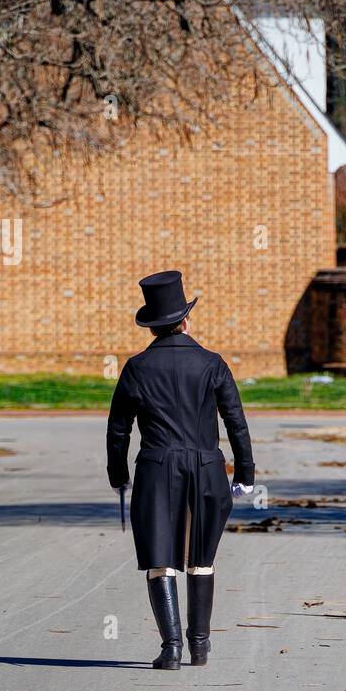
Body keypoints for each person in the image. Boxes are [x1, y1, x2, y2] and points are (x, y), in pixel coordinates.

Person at [106, 270, 254, 669]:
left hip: (157, 467)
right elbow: (235, 421)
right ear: (186, 320)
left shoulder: (136, 368)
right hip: (207, 466)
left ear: (152, 326)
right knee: (201, 559)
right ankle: (200, 646)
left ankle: (171, 647)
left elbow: (119, 427)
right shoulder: (212, 363)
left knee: (161, 559)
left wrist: (117, 472)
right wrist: (245, 472)